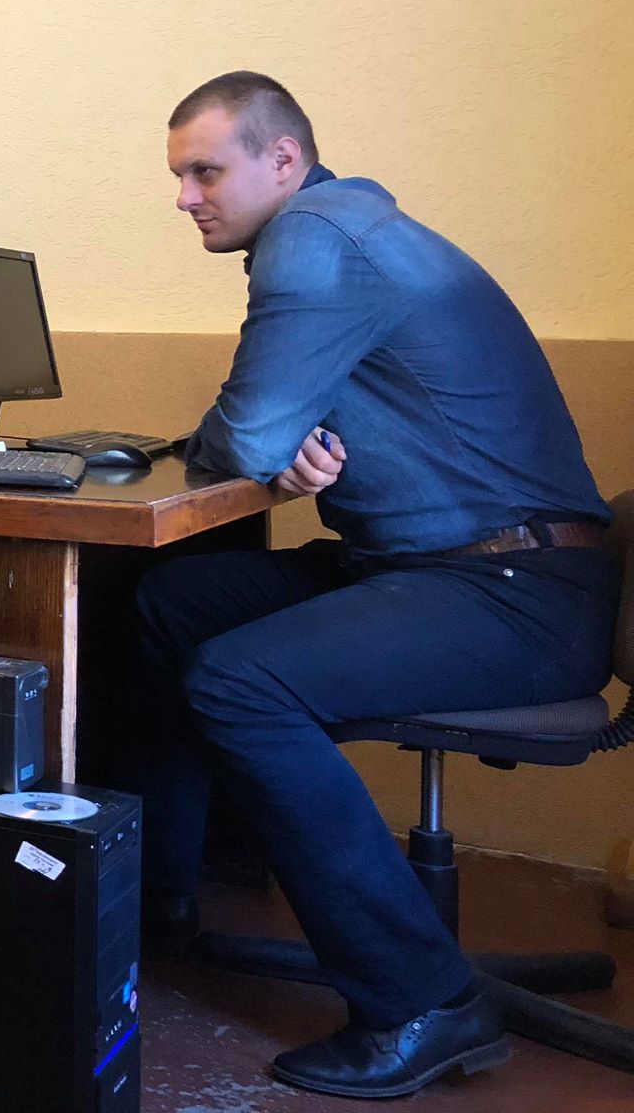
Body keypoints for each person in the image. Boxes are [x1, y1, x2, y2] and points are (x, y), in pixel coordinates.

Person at [139, 71, 614, 1098]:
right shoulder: (350, 228)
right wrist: (278, 440)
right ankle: (159, 894)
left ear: (283, 159)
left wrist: (269, 439)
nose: (184, 198)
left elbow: (245, 435)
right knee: (172, 601)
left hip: (511, 590)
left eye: (204, 172)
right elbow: (269, 433)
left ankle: (422, 1003)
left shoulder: (314, 237)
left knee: (238, 681)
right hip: (457, 568)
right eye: (179, 176)